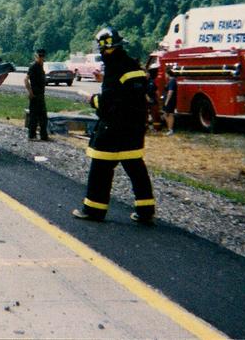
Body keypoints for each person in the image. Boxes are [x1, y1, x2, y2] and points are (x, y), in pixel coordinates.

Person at [72, 27, 156, 224]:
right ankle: (146, 212)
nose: (102, 54)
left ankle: (93, 210)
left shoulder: (113, 68)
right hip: (134, 128)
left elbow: (108, 104)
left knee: (100, 170)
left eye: (102, 50)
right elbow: (131, 95)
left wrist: (91, 99)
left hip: (113, 129)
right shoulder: (133, 65)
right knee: (136, 169)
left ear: (106, 48)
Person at [24, 49, 49, 141]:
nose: (41, 58)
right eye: (39, 56)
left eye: (42, 56)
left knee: (43, 117)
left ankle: (43, 135)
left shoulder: (41, 66)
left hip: (41, 94)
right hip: (35, 94)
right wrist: (30, 92)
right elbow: (26, 80)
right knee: (34, 116)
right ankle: (32, 135)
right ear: (36, 56)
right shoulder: (33, 66)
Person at [163, 68, 178, 136]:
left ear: (168, 74)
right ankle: (169, 129)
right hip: (170, 100)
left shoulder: (172, 81)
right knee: (167, 114)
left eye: (165, 74)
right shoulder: (171, 80)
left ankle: (170, 129)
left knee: (169, 114)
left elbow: (170, 92)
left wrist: (167, 101)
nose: (165, 75)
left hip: (170, 100)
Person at [146, 67, 160, 132]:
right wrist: (147, 97)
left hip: (153, 100)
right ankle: (148, 127)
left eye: (148, 73)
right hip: (145, 101)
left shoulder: (152, 81)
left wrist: (159, 99)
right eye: (146, 74)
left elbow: (156, 90)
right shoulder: (143, 82)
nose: (147, 75)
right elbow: (142, 91)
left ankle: (155, 128)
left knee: (154, 115)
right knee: (146, 115)